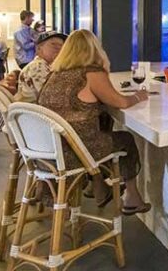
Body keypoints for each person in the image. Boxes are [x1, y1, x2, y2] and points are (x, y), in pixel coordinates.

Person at [38, 30, 150, 215]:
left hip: (48, 150)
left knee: (103, 121)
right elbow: (121, 102)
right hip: (76, 151)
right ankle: (131, 197)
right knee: (125, 140)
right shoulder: (91, 72)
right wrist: (139, 96)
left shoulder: (55, 74)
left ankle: (97, 186)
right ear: (94, 49)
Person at [0, 31, 67, 159]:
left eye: (62, 46)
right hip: (38, 127)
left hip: (28, 122)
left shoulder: (43, 66)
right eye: (54, 45)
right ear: (39, 49)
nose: (59, 49)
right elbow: (49, 99)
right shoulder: (39, 67)